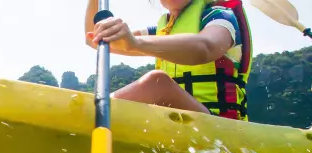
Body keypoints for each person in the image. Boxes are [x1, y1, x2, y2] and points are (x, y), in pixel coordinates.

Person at [84, 0, 253, 121]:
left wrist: (135, 43)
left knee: (157, 83)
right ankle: (88, 118)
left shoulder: (220, 16)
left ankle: (89, 117)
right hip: (176, 121)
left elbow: (206, 47)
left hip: (221, 125)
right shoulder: (162, 29)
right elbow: (94, 39)